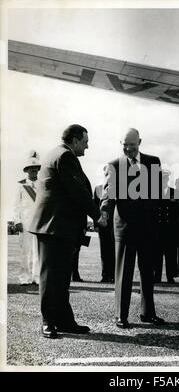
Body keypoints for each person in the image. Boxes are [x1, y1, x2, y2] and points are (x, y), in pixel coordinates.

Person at [29, 124, 101, 338]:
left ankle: (63, 321)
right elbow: (77, 191)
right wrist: (98, 215)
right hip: (54, 227)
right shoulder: (65, 157)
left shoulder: (57, 154)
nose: (87, 147)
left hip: (58, 227)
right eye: (85, 142)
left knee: (60, 278)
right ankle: (48, 322)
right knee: (52, 278)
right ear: (76, 139)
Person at [99, 128, 165, 328]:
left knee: (148, 273)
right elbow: (108, 193)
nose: (128, 148)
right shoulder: (114, 165)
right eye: (124, 145)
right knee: (124, 274)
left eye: (132, 145)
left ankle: (148, 313)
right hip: (125, 228)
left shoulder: (153, 162)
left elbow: (157, 195)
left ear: (140, 142)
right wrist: (104, 213)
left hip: (147, 228)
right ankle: (121, 315)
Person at [13, 151, 41, 286]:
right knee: (25, 251)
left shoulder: (43, 184)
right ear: (27, 170)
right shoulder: (21, 184)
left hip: (40, 222)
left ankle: (37, 277)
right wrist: (17, 221)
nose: (34, 170)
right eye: (31, 168)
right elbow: (16, 205)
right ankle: (24, 277)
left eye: (36, 168)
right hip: (25, 222)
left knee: (38, 251)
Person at [154, 170, 177, 284]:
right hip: (157, 228)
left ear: (168, 179)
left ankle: (170, 276)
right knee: (156, 254)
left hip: (170, 228)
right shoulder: (153, 192)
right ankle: (156, 276)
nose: (164, 180)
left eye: (165, 178)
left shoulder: (175, 192)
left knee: (170, 254)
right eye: (161, 178)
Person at [94, 167, 115, 283]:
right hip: (102, 224)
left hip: (114, 224)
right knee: (104, 250)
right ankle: (105, 274)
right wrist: (96, 224)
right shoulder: (98, 188)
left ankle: (114, 274)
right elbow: (94, 205)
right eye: (107, 173)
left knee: (114, 250)